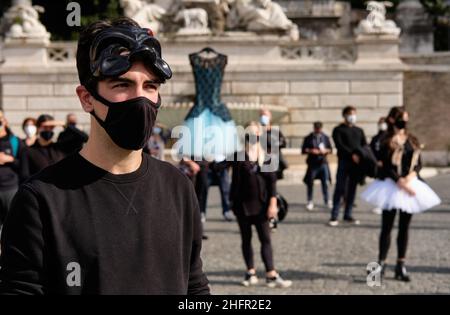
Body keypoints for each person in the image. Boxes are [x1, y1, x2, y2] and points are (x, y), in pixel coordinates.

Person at [0, 18, 209, 295]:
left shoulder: (178, 186)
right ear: (86, 98)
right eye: (122, 85)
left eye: (150, 86)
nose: (141, 99)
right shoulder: (40, 200)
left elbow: (193, 285)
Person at [361, 106, 440, 282]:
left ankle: (400, 265)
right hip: (391, 185)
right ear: (393, 119)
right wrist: (401, 182)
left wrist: (411, 176)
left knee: (404, 228)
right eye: (402, 118)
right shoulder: (385, 140)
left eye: (406, 118)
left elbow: (418, 162)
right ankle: (379, 265)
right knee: (386, 227)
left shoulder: (411, 139)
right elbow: (384, 165)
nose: (404, 121)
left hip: (410, 185)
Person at [230, 121, 292, 288]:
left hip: (262, 205)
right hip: (241, 206)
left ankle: (271, 274)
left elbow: (272, 184)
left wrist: (272, 205)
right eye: (250, 132)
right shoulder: (238, 155)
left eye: (256, 132)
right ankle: (250, 272)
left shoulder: (266, 156)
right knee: (246, 239)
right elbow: (219, 167)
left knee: (265, 239)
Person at [329, 106, 367, 226]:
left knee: (352, 189)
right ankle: (334, 215)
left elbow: (364, 145)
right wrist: (352, 155)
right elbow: (339, 145)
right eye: (350, 114)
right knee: (340, 188)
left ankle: (348, 214)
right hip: (344, 162)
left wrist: (360, 156)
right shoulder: (338, 130)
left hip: (356, 165)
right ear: (344, 115)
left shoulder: (359, 131)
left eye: (354, 114)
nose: (352, 116)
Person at [0, 110, 28, 229]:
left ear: (5, 121)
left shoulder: (15, 141)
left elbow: (24, 165)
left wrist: (9, 159)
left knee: (12, 226)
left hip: (10, 189)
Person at [301, 121, 333, 211]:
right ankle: (310, 200)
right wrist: (311, 151)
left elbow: (331, 149)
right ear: (314, 128)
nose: (318, 130)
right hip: (313, 164)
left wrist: (326, 151)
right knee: (310, 183)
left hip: (323, 163)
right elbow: (303, 150)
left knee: (325, 183)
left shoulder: (325, 137)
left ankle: (327, 200)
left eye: (319, 129)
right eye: (316, 128)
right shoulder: (308, 138)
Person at [259, 109, 288, 180]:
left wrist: (274, 147)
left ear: (270, 117)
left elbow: (283, 143)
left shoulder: (275, 131)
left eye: (266, 115)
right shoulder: (257, 130)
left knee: (272, 182)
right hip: (262, 160)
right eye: (262, 115)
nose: (264, 117)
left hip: (274, 160)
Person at [369, 117, 388, 215]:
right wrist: (375, 161)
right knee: (379, 185)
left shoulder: (389, 136)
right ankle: (379, 204)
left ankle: (384, 205)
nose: (382, 125)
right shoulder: (375, 138)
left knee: (387, 186)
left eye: (383, 123)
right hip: (378, 165)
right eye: (380, 123)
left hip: (387, 165)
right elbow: (371, 150)